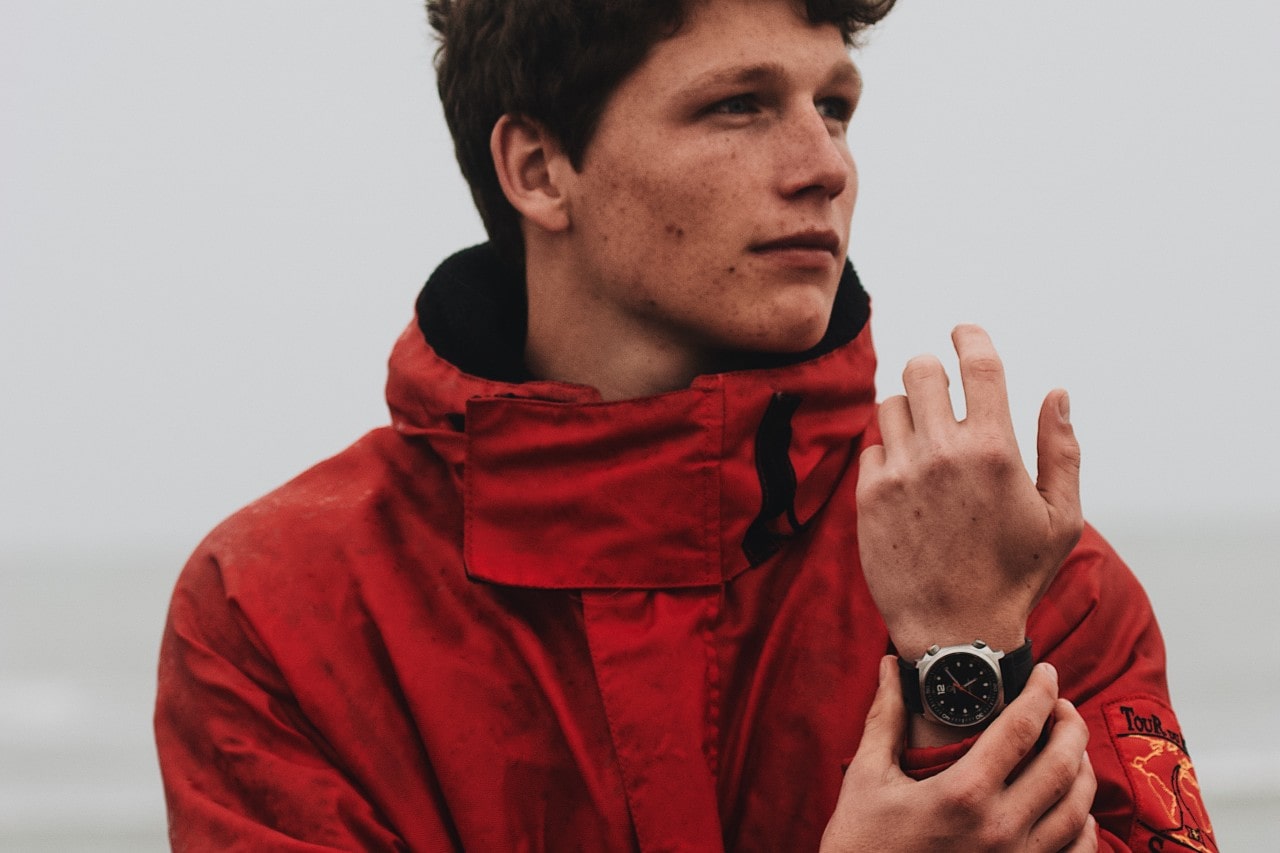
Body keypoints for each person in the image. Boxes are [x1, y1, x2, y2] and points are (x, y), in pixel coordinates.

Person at [154, 0, 1215, 850]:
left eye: (834, 106)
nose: (823, 166)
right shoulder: (278, 608)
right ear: (536, 169)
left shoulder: (1024, 570)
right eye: (738, 107)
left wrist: (962, 658)